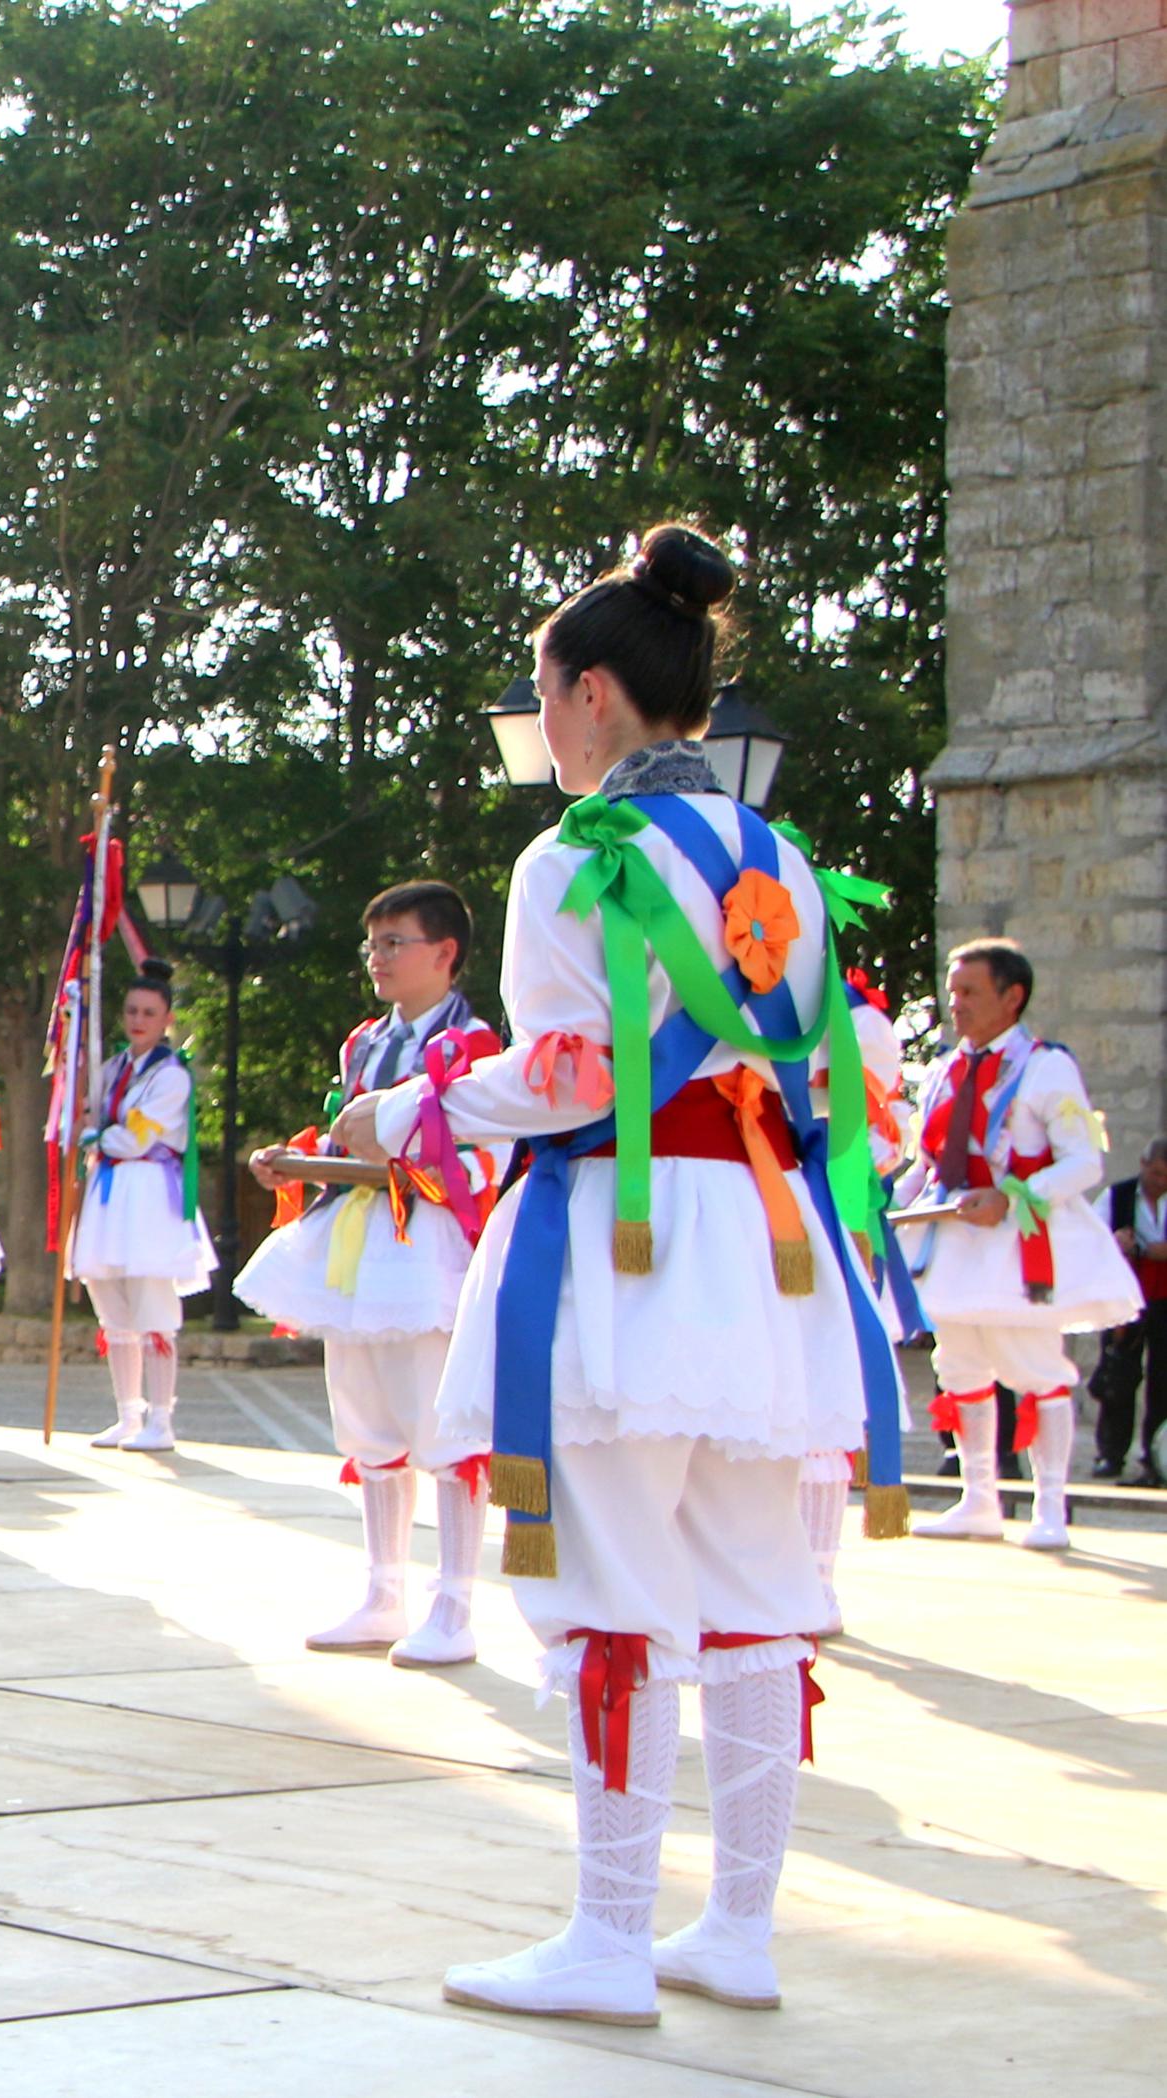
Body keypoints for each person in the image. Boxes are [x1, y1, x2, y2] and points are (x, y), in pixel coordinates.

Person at [344, 525, 898, 2025]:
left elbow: (567, 1073)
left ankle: (603, 1935)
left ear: (588, 692)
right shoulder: (775, 854)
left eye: (539, 692)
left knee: (604, 1587)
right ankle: (736, 1926)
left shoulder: (571, 852)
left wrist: (407, 1107)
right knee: (749, 1585)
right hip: (761, 1249)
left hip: (621, 1236)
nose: (543, 721)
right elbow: (838, 1065)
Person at [236, 881, 504, 1666]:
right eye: (373, 945)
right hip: (353, 1235)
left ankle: (452, 1604)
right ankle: (382, 1593)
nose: (377, 959)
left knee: (442, 1424)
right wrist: (293, 1160)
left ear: (443, 953)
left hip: (426, 1242)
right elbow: (349, 1134)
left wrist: (387, 1160)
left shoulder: (473, 1043)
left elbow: (481, 1155)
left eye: (394, 944)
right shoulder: (362, 1042)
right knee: (365, 1417)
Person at [905, 936, 1141, 1549]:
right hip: (953, 1240)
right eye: (952, 992)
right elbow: (926, 1160)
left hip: (1019, 1243)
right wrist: (884, 1204)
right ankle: (979, 1498)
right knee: (957, 1366)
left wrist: (1011, 1196)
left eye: (969, 993)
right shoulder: (944, 1070)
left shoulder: (1046, 1066)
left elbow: (1083, 1162)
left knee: (1035, 1367)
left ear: (1012, 997)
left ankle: (1051, 1507)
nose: (954, 1004)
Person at [68, 965, 218, 1451]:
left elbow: (138, 1137)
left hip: (150, 1192)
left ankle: (162, 1419)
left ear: (166, 1019)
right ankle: (127, 1414)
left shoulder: (171, 1074)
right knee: (112, 1307)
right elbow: (90, 1114)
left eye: (149, 1013)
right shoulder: (110, 1067)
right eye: (132, 1010)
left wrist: (98, 1136)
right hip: (108, 1192)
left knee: (153, 1306)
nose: (138, 1020)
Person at [1095, 1139, 1167, 1486]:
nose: (1161, 1182)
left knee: (1163, 1383)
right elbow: (1091, 1238)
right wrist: (1115, 1242)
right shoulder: (1116, 1196)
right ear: (1143, 1164)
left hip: (1165, 1300)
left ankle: (1154, 1459)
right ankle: (1111, 1454)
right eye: (1156, 1173)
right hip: (1127, 1297)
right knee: (1118, 1378)